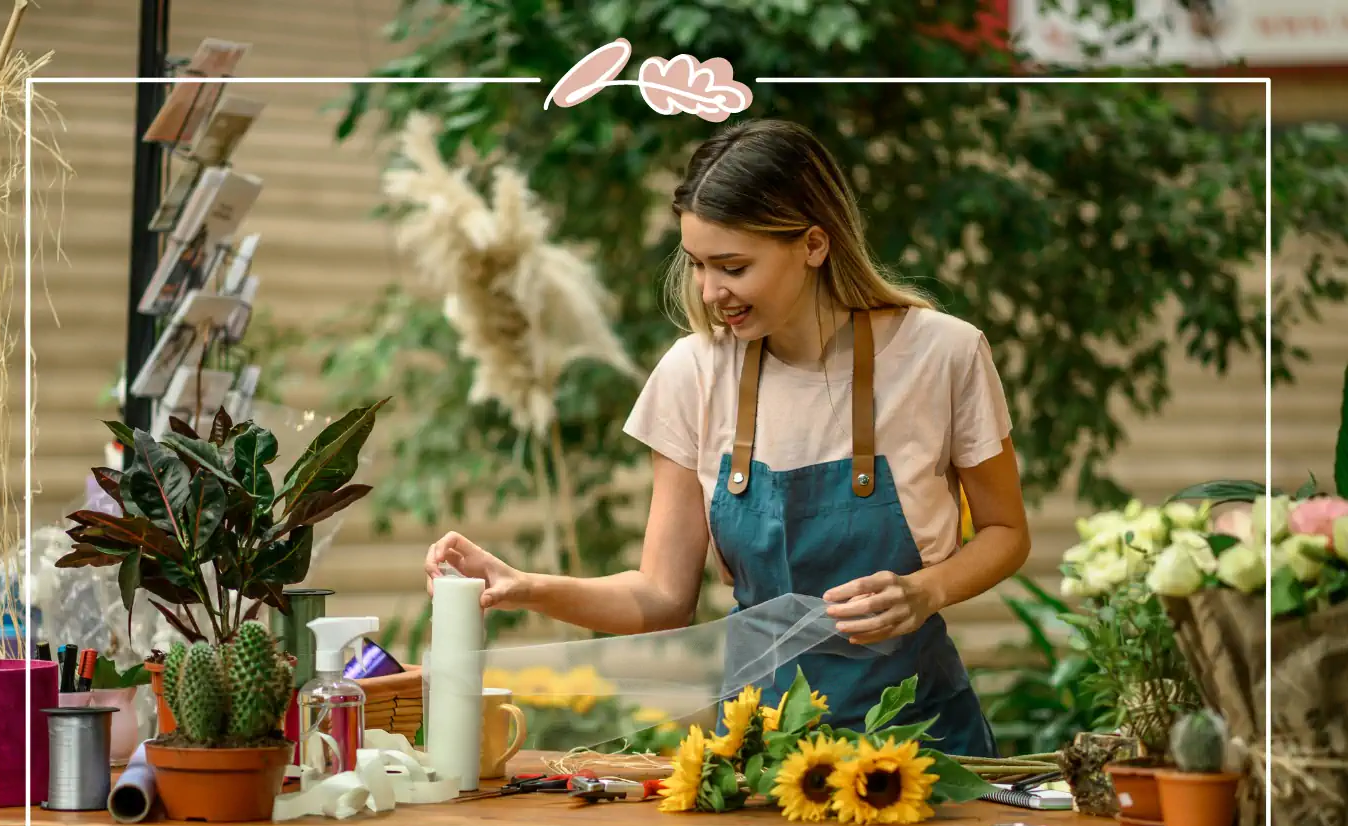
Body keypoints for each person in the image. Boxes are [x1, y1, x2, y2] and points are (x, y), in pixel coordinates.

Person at [424, 118, 1030, 757]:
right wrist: (525, 586)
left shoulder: (945, 355)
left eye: (734, 266)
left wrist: (926, 590)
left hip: (925, 746)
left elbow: (1006, 532)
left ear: (815, 244)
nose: (713, 293)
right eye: (700, 265)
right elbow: (661, 599)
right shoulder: (694, 373)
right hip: (762, 756)